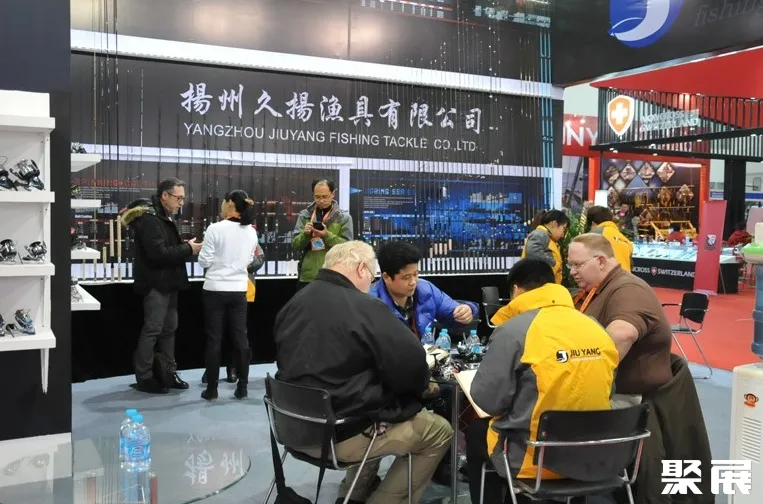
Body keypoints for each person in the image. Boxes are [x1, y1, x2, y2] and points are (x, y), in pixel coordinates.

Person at [274, 241, 452, 504]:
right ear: (361, 269)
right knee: (438, 431)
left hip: (292, 427)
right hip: (341, 434)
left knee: (370, 406)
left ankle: (352, 496)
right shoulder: (365, 307)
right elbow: (413, 367)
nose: (372, 282)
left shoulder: (293, 304)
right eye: (372, 275)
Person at [467, 258, 619, 504]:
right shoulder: (595, 327)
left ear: (516, 289)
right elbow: (608, 390)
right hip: (592, 455)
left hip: (535, 460)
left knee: (477, 433)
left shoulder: (514, 331)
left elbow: (488, 401)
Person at [567, 233, 673, 406]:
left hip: (625, 397)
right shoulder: (600, 287)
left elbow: (622, 336)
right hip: (610, 389)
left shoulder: (629, 289)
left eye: (578, 264)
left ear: (601, 262)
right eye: (570, 264)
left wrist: (574, 379)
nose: (572, 271)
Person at [121, 178, 202, 394]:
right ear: (164, 195)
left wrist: (185, 248)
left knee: (169, 329)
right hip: (156, 283)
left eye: (183, 199)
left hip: (168, 283)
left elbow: (163, 250)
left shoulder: (161, 216)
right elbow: (157, 253)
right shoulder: (150, 219)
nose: (181, 203)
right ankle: (145, 377)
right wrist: (188, 249)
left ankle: (168, 372)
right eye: (178, 198)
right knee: (153, 329)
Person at [197, 190, 259, 401]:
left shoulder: (215, 228)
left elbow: (204, 261)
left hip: (214, 289)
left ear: (230, 203)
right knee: (241, 339)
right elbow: (249, 260)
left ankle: (212, 390)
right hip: (238, 290)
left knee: (213, 339)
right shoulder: (251, 232)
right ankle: (243, 387)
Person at [369, 240, 478, 338]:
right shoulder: (370, 303)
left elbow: (453, 314)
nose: (413, 282)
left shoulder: (426, 289)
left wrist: (467, 311)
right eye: (406, 277)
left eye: (415, 274)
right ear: (387, 277)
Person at [291, 179, 353, 291]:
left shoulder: (343, 218)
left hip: (334, 276)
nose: (321, 200)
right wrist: (305, 234)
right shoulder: (305, 215)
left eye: (325, 197)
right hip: (308, 276)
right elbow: (295, 245)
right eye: (317, 197)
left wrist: (326, 234)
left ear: (333, 194)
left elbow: (347, 248)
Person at [521, 209, 569, 284]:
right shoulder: (540, 234)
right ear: (554, 223)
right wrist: (554, 264)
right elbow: (533, 251)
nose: (563, 234)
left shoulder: (547, 237)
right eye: (563, 228)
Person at [587, 205, 633, 272]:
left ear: (592, 223)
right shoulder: (624, 239)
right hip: (625, 277)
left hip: (606, 277)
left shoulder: (594, 235)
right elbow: (630, 264)